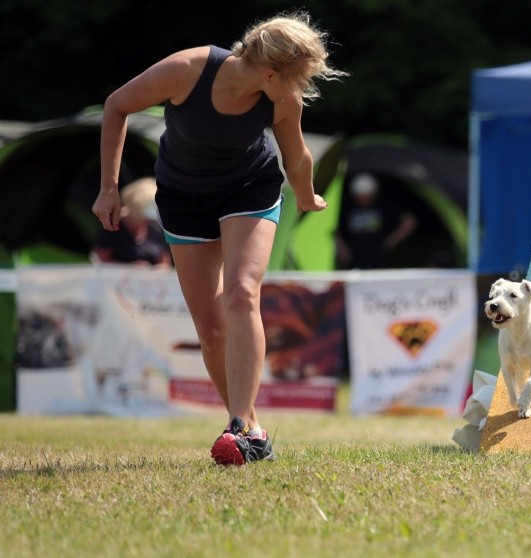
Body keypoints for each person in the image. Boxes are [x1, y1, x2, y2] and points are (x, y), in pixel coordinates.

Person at [92, 12, 345, 465]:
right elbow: (116, 105)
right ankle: (251, 423)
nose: (299, 89)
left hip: (249, 188)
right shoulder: (187, 70)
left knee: (243, 292)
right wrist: (109, 188)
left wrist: (307, 196)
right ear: (269, 72)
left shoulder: (282, 98)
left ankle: (241, 425)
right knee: (210, 329)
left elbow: (296, 154)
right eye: (296, 78)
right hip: (183, 196)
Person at [334, 173, 418, 269]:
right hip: (354, 260)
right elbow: (333, 228)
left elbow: (409, 221)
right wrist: (342, 249)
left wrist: (390, 242)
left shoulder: (384, 207)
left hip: (379, 259)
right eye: (359, 196)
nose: (363, 199)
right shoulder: (347, 208)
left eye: (366, 195)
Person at [90, 177, 172, 267]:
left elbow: (164, 262)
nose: (147, 220)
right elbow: (98, 259)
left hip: (151, 280)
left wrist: (153, 271)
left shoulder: (156, 226)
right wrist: (129, 268)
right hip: (117, 278)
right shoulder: (113, 224)